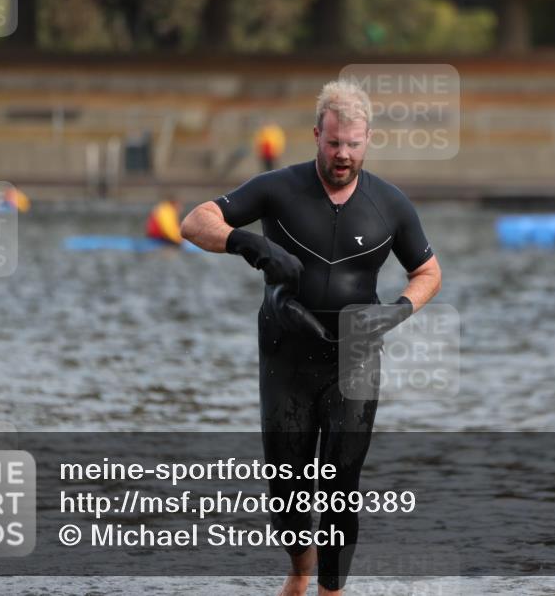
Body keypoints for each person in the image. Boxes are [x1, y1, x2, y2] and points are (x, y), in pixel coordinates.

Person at [180, 80, 442, 596]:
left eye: (353, 144)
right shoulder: (278, 187)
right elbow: (194, 222)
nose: (342, 155)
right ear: (316, 135)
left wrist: (396, 312)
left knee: (342, 484)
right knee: (286, 488)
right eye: (333, 142)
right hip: (286, 355)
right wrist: (248, 243)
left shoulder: (390, 204)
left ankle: (331, 591)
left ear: (368, 140)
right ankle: (300, 571)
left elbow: (429, 272)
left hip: (355, 358)